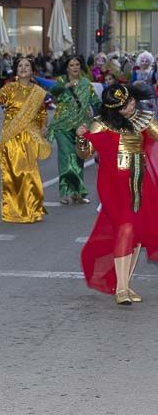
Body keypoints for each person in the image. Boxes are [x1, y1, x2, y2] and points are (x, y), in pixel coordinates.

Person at [76, 84, 158, 305]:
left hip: (140, 182)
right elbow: (85, 154)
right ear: (114, 109)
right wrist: (82, 138)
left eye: (131, 101)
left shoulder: (144, 118)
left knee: (137, 233)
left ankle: (125, 284)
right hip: (113, 184)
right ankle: (121, 288)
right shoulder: (100, 124)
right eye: (125, 105)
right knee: (126, 227)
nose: (131, 106)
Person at [0, 56, 51, 224]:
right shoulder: (9, 88)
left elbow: (42, 113)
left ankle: (33, 209)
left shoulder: (38, 92)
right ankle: (13, 211)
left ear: (32, 71)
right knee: (13, 173)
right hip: (11, 136)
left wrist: (44, 126)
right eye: (20, 65)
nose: (23, 68)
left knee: (30, 172)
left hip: (30, 136)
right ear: (16, 70)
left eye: (27, 65)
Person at [47, 55, 99, 206]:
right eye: (71, 65)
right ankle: (64, 192)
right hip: (62, 127)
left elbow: (95, 101)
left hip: (81, 127)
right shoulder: (61, 81)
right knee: (66, 157)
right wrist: (66, 86)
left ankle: (77, 193)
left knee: (78, 158)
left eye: (77, 64)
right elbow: (53, 92)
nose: (75, 67)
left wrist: (108, 110)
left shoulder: (86, 83)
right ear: (67, 68)